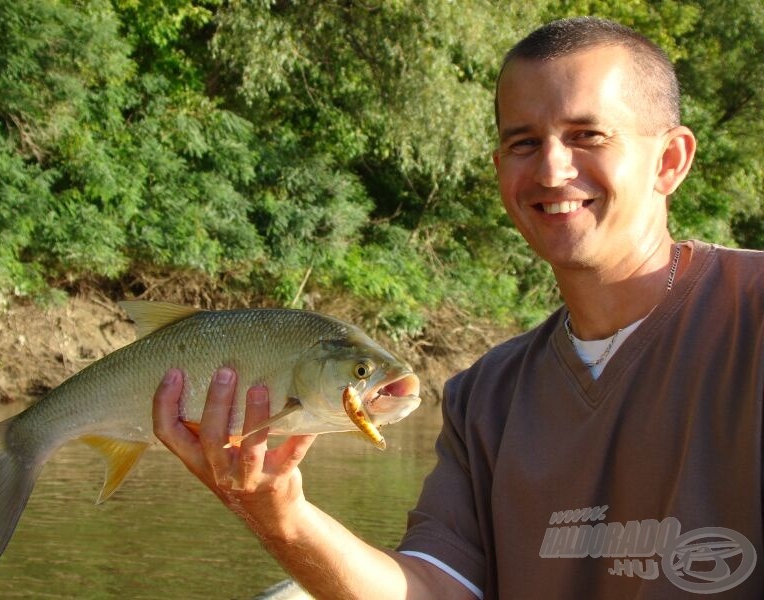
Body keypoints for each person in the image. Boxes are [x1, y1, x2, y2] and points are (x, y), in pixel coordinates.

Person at [152, 16, 764, 599]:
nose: (552, 169)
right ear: (501, 171)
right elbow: (434, 589)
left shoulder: (752, 314)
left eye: (588, 135)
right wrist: (279, 513)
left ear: (669, 161)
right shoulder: (486, 397)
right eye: (524, 143)